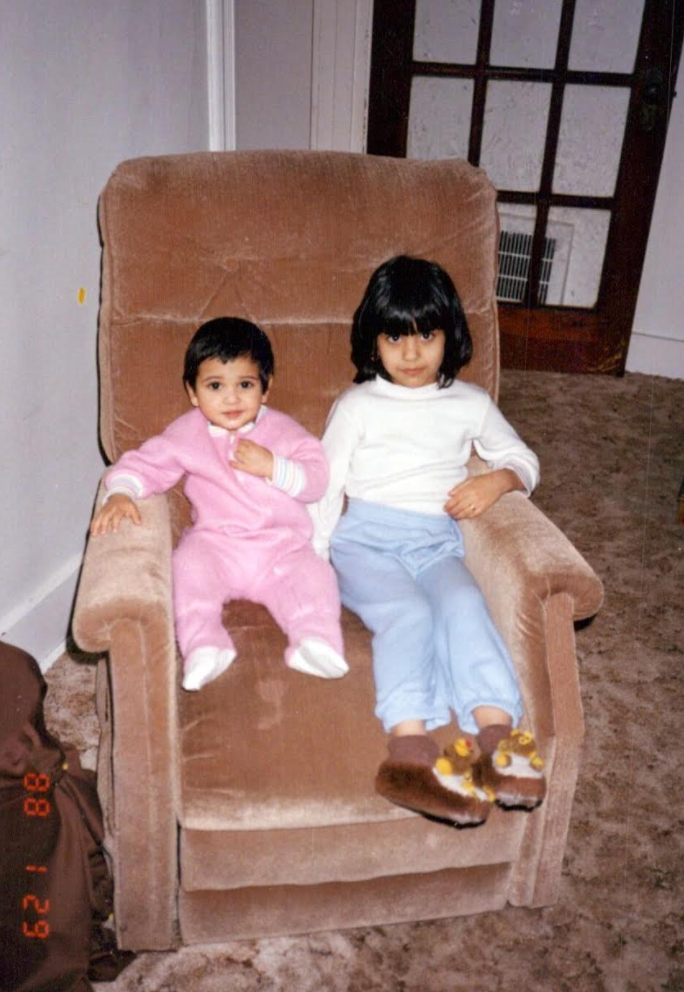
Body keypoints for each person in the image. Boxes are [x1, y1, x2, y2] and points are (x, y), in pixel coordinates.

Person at [310, 255, 546, 827]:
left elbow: (523, 457)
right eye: (395, 336)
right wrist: (313, 561)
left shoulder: (468, 403)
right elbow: (326, 484)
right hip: (365, 541)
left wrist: (498, 479)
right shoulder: (357, 405)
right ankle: (410, 748)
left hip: (435, 543)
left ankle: (496, 733)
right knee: (409, 613)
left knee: (465, 604)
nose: (411, 354)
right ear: (373, 340)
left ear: (450, 336)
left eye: (426, 335)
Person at [91, 316, 348, 691]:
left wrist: (274, 467)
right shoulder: (187, 432)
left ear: (266, 387)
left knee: (316, 576)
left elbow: (317, 478)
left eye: (245, 384)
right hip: (216, 545)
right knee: (187, 567)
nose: (231, 398)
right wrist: (121, 491)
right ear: (193, 393)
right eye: (215, 386)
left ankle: (316, 640)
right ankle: (204, 645)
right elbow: (147, 463)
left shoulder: (283, 430)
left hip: (280, 547)